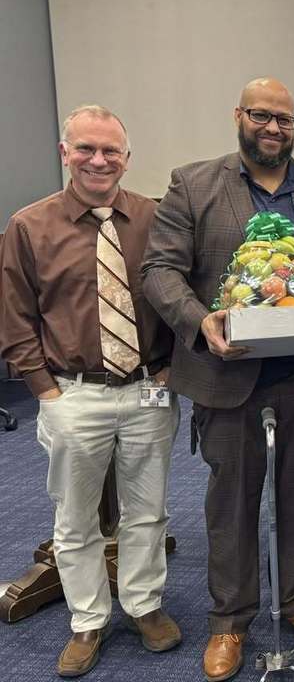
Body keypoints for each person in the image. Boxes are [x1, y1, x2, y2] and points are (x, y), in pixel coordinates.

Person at [141, 78, 294, 681]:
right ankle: (230, 619)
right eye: (262, 116)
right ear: (239, 115)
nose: (273, 129)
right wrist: (201, 320)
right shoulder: (192, 184)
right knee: (232, 502)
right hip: (228, 375)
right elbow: (160, 270)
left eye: (285, 120)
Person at [0, 105, 180, 677]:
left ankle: (145, 605)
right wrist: (45, 393)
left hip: (148, 387)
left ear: (127, 158)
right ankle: (87, 619)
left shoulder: (156, 218)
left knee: (148, 511)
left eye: (111, 151)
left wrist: (171, 370)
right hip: (72, 393)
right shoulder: (29, 226)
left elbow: (180, 295)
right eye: (86, 149)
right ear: (65, 153)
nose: (98, 160)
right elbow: (15, 318)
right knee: (75, 518)